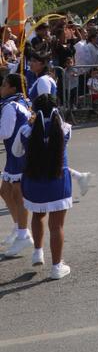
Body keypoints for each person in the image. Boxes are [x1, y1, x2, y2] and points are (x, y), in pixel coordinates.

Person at [11, 95, 73, 277]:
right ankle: (56, 267)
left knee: (38, 216)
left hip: (34, 180)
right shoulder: (65, 128)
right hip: (58, 180)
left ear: (34, 111)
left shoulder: (25, 130)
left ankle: (38, 251)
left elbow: (16, 152)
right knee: (57, 226)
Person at [0, 74, 32, 257]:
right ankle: (17, 227)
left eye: (4, 85)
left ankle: (23, 234)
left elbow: (5, 132)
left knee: (18, 195)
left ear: (13, 88)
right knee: (5, 191)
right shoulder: (21, 101)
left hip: (19, 154)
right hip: (15, 154)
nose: (1, 88)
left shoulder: (11, 107)